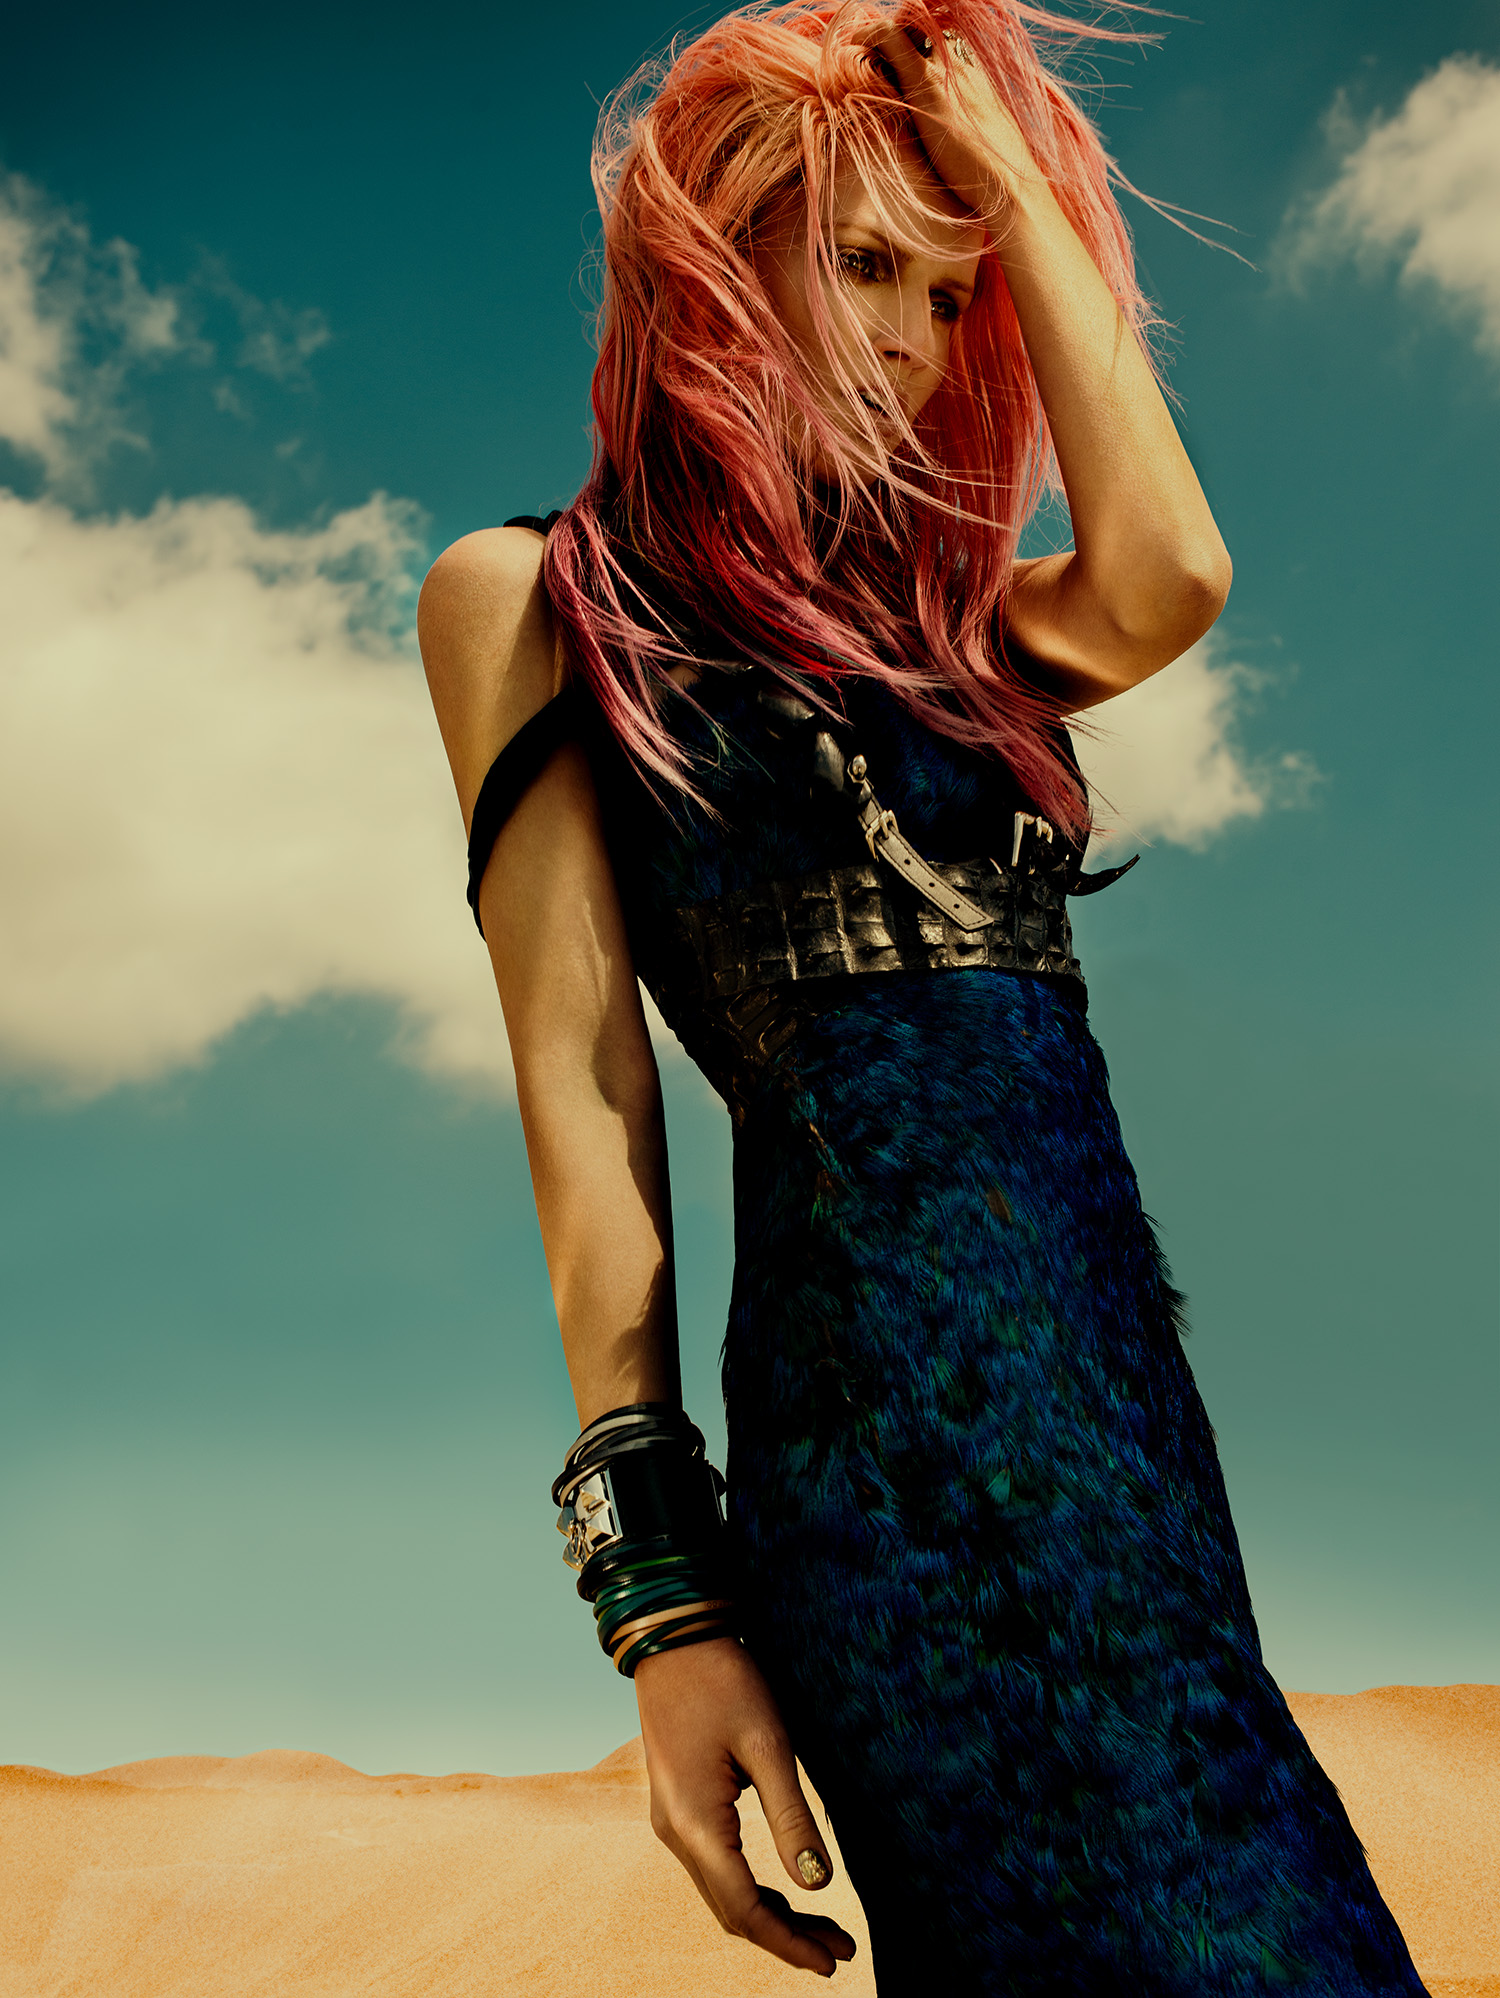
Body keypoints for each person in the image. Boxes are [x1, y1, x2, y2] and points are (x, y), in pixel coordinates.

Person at [420, 4, 1429, 1990]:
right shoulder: (530, 599)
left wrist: (1012, 181)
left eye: (951, 295)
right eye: (866, 260)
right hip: (873, 1426)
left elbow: (1170, 574)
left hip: (1122, 1409)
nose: (911, 335)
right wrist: (662, 1607)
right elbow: (584, 1085)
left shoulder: (961, 633)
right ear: (717, 255)